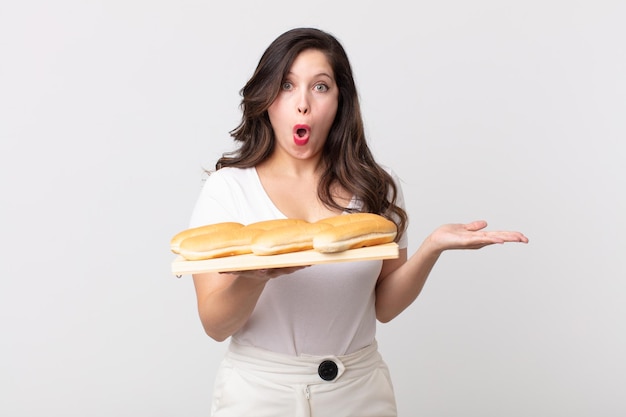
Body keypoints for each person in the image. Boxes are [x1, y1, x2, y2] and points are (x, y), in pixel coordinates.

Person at [187, 27, 528, 417]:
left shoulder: (374, 187)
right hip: (259, 393)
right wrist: (256, 275)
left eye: (320, 87)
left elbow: (383, 306)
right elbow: (214, 324)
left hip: (360, 391)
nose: (302, 104)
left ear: (340, 100)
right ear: (266, 99)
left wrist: (432, 246)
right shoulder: (228, 189)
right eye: (286, 85)